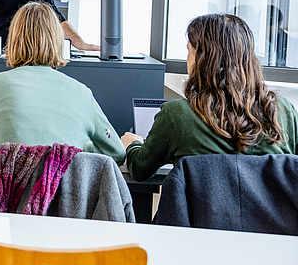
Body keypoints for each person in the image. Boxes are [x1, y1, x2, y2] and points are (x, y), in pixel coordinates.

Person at [123, 14, 298, 181]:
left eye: (189, 51)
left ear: (202, 59)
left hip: (202, 213)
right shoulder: (283, 110)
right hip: (270, 213)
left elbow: (140, 169)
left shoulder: (177, 114)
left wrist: (134, 144)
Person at [0, 1, 124, 163]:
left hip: (11, 187)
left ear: (13, 39)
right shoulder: (82, 93)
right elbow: (116, 152)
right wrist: (79, 153)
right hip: (66, 189)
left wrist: (1, 147)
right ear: (57, 41)